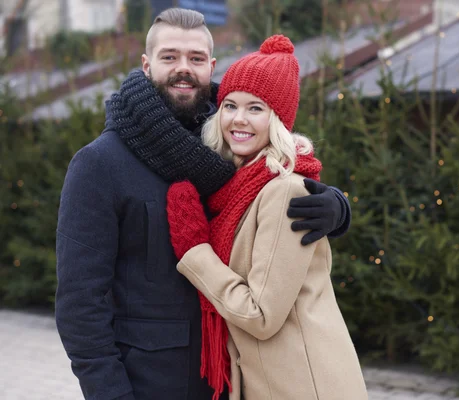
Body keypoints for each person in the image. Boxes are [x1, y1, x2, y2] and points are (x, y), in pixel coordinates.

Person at [54, 8, 351, 400]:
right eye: (169, 57)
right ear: (146, 65)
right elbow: (80, 307)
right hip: (148, 383)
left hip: (231, 381)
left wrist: (335, 207)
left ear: (211, 66)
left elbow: (275, 183)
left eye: (195, 59)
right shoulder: (100, 164)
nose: (183, 69)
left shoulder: (223, 148)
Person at [166, 34, 368, 400]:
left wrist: (195, 251)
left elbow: (261, 316)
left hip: (303, 386)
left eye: (255, 108)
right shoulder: (233, 188)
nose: (238, 120)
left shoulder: (282, 191)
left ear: (278, 119)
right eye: (229, 105)